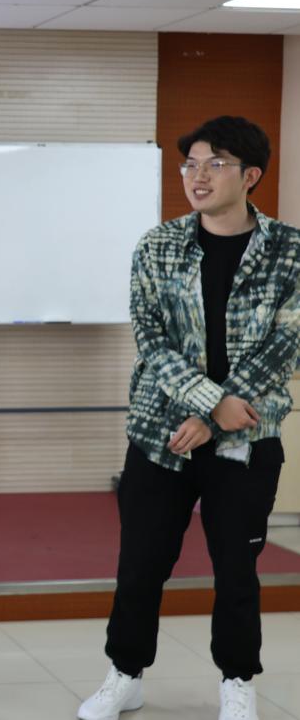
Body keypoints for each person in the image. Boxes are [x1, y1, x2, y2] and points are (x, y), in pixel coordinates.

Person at [78, 116, 300, 720]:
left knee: (237, 569)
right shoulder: (158, 246)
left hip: (247, 436)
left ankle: (238, 680)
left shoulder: (289, 250)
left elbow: (284, 345)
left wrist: (218, 417)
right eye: (190, 164)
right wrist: (207, 403)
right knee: (141, 564)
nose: (198, 176)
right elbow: (152, 340)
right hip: (161, 435)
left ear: (250, 176)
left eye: (215, 164)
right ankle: (125, 674)